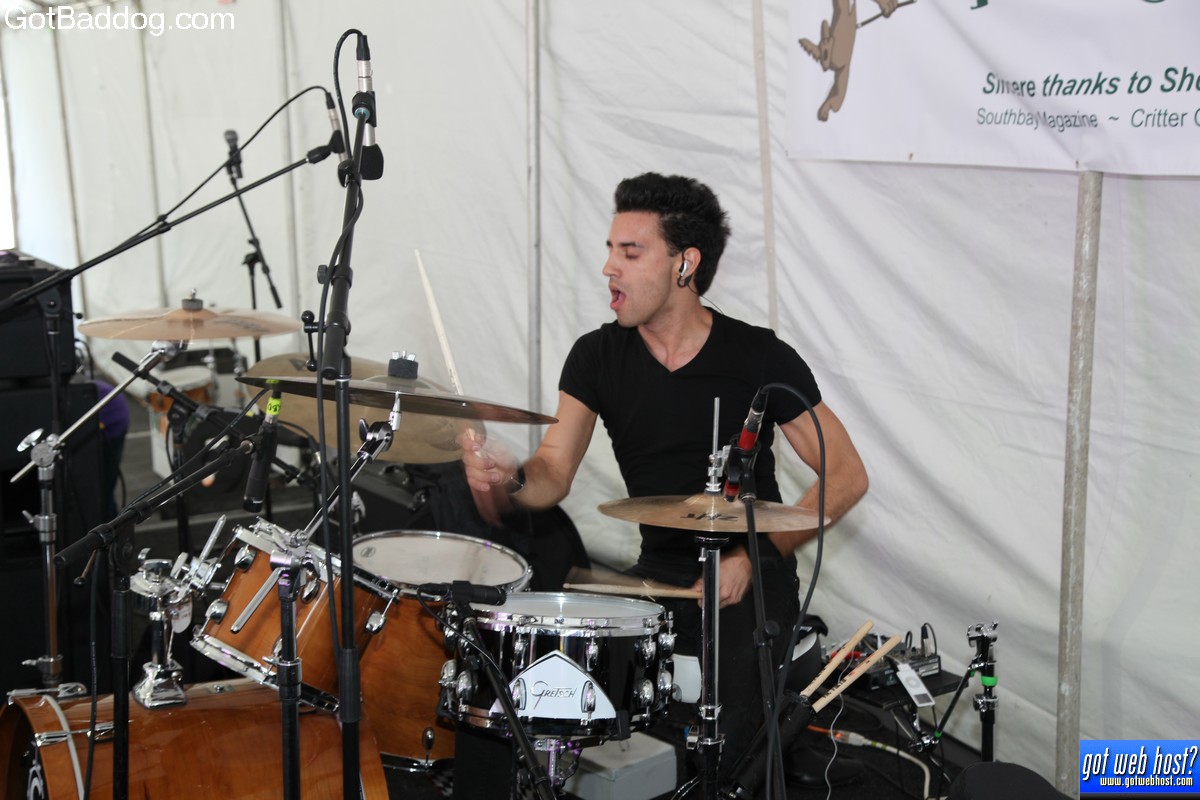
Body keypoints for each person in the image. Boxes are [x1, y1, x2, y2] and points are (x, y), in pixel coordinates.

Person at [461, 172, 868, 789]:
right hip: (657, 572)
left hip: (753, 572)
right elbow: (551, 474)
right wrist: (509, 474)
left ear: (685, 264)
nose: (609, 268)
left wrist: (755, 554)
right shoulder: (596, 356)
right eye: (609, 250)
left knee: (731, 725)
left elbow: (847, 475)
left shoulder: (758, 356)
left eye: (630, 252)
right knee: (545, 677)